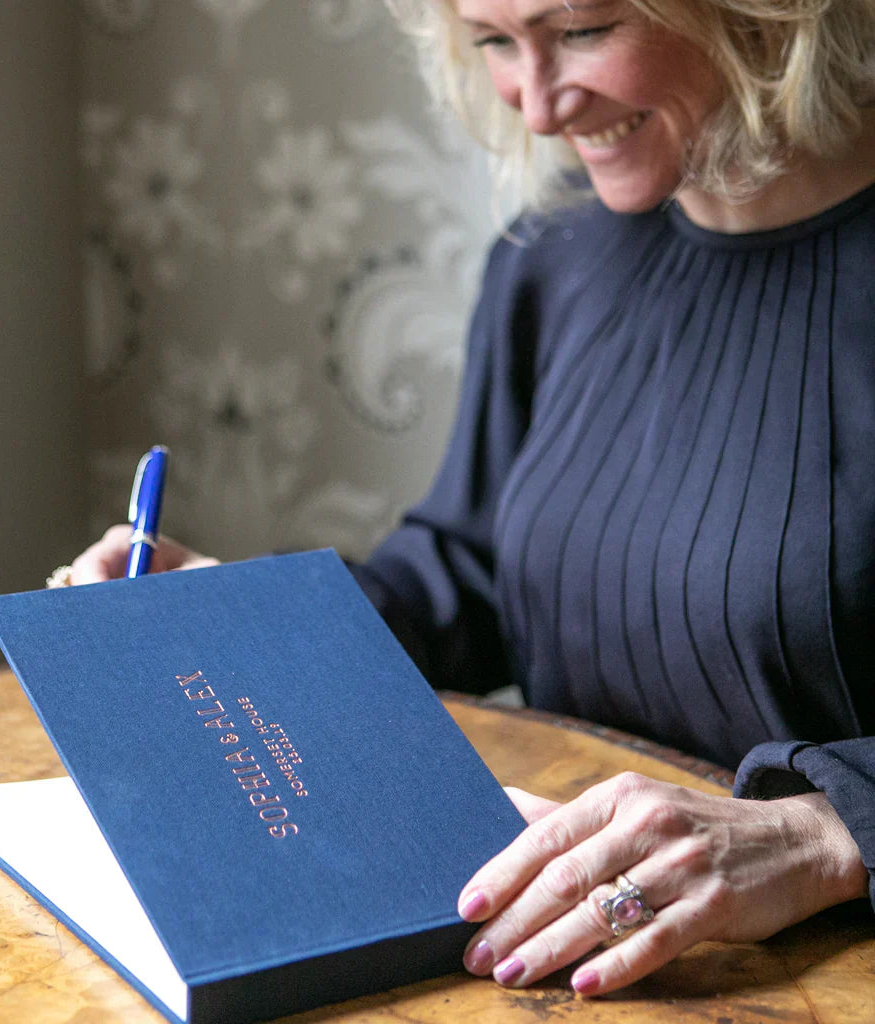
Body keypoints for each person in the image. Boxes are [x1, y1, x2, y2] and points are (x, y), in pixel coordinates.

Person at [64, 0, 875, 1000]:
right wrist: (244, 623)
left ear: (763, 14)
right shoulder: (554, 256)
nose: (534, 109)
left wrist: (822, 829)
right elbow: (471, 575)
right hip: (567, 958)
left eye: (579, 32)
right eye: (494, 41)